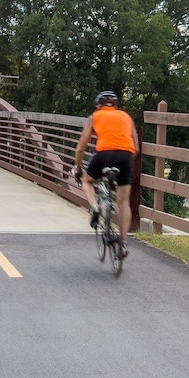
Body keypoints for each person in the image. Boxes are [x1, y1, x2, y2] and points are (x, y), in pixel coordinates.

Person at [74, 91, 139, 259]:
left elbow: (81, 147)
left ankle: (95, 206)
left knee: (87, 180)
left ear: (98, 106)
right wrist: (124, 164)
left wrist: (78, 167)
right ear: (116, 106)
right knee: (123, 202)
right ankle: (123, 243)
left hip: (104, 154)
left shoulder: (95, 116)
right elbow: (136, 148)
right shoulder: (126, 117)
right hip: (126, 156)